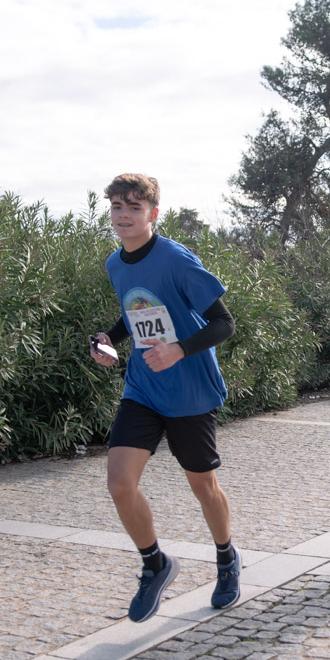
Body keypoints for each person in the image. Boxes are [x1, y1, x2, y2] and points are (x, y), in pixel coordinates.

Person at [90, 174, 241, 620]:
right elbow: (135, 313)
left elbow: (224, 323)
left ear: (153, 213)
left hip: (190, 391)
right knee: (119, 483)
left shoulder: (176, 260)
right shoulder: (116, 264)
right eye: (117, 207)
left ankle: (227, 559)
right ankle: (155, 564)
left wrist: (178, 350)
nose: (124, 215)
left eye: (134, 208)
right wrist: (109, 338)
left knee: (204, 488)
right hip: (143, 388)